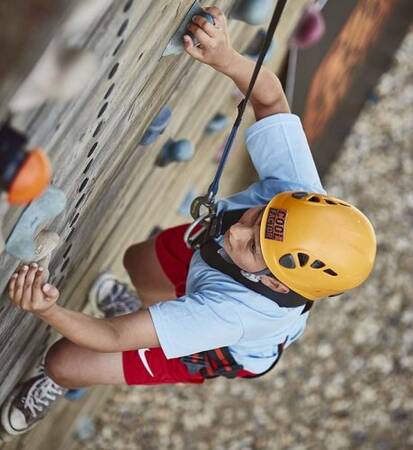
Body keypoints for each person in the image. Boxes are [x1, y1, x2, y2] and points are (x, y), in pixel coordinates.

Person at [1, 6, 376, 435]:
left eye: (256, 245)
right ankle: (159, 318)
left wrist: (46, 309)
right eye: (262, 216)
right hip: (218, 268)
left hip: (226, 339)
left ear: (276, 283)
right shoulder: (296, 197)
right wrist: (226, 57)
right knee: (140, 260)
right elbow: (270, 98)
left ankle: (92, 364)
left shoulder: (230, 316)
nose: (239, 228)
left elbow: (114, 338)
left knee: (64, 360)